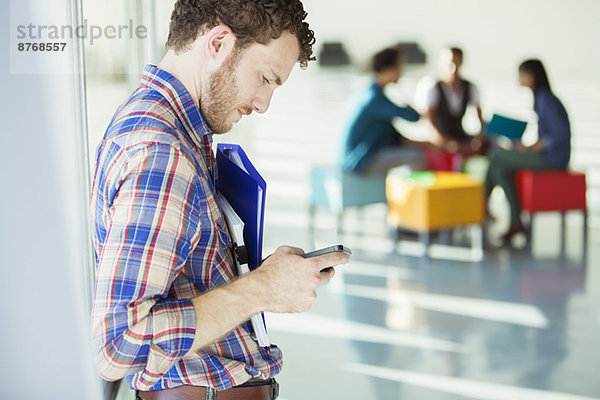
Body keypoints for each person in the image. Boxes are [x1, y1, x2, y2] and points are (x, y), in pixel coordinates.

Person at [90, 1, 350, 399]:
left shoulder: (172, 129)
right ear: (217, 43)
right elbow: (118, 344)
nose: (263, 104)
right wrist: (263, 289)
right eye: (265, 78)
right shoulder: (163, 152)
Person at [485, 59, 571, 241]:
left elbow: (558, 136)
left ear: (531, 76)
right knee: (500, 170)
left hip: (553, 160)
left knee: (495, 155)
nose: (518, 77)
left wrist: (529, 148)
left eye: (521, 73)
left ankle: (481, 206)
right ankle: (516, 222)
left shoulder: (546, 99)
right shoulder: (541, 98)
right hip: (546, 156)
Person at [339, 46, 424, 175]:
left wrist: (426, 143)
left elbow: (394, 135)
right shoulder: (375, 99)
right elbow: (414, 117)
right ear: (387, 69)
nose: (401, 72)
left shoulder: (366, 93)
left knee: (416, 151)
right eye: (398, 66)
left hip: (354, 159)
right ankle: (415, 194)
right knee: (417, 157)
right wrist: (406, 102)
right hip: (358, 162)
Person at [425, 47, 485, 157]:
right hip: (440, 140)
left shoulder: (471, 87)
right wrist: (446, 143)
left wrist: (478, 139)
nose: (452, 67)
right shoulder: (433, 87)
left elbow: (481, 120)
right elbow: (429, 124)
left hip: (460, 136)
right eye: (447, 63)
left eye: (456, 62)